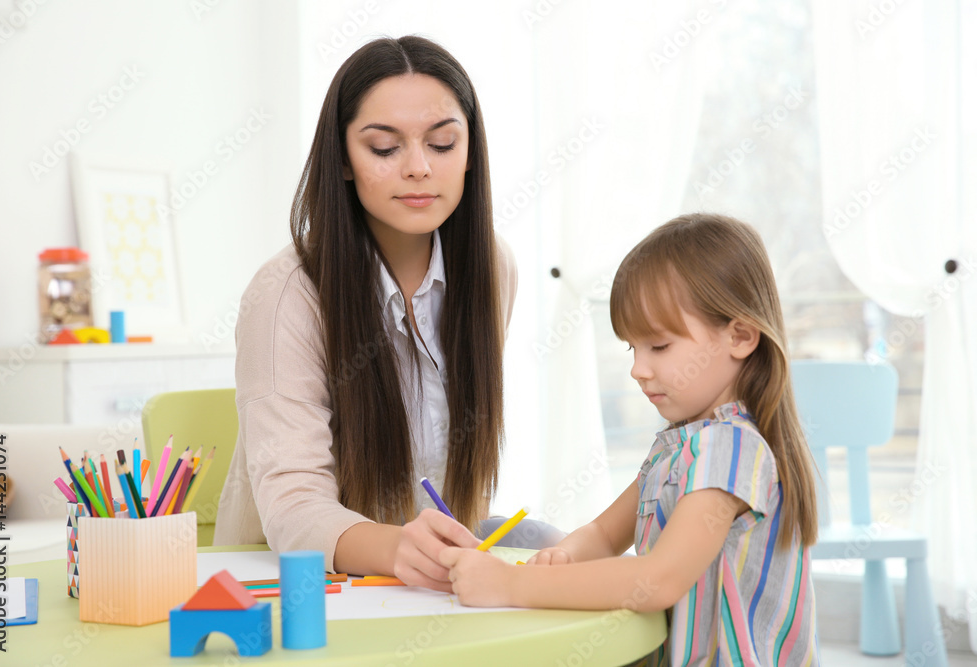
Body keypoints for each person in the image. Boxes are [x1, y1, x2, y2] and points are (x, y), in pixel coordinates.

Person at [214, 36, 561, 590]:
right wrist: (400, 547)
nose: (420, 168)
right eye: (384, 148)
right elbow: (294, 508)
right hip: (300, 585)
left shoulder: (491, 266)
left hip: (425, 575)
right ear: (344, 161)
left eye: (443, 143)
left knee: (564, 553)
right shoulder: (285, 293)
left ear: (471, 153)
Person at [441, 214, 820, 665]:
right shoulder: (677, 445)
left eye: (659, 347)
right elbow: (603, 533)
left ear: (740, 336)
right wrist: (560, 558)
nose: (638, 369)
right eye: (631, 348)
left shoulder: (731, 448)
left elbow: (659, 579)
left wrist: (511, 585)